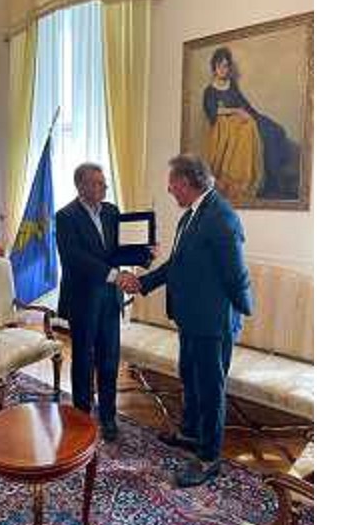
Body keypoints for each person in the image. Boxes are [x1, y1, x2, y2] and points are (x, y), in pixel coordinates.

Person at [122, 154, 253, 487]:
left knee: (210, 389)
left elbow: (236, 273)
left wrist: (242, 309)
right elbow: (176, 265)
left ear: (185, 181)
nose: (169, 189)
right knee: (190, 378)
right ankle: (191, 434)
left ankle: (209, 458)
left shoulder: (221, 216)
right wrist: (143, 283)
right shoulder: (190, 216)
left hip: (213, 323)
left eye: (171, 183)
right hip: (190, 319)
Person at [55, 163, 135, 442]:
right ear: (82, 186)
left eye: (104, 183)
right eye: (98, 183)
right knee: (83, 359)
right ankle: (81, 416)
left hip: (110, 298)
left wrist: (145, 254)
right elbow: (74, 258)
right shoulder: (65, 216)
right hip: (83, 298)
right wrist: (114, 275)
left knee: (109, 358)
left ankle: (108, 416)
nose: (104, 187)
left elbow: (121, 250)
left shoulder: (112, 211)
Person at [203, 47, 299, 200]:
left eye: (226, 66)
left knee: (274, 129)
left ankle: (276, 175)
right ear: (214, 67)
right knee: (253, 131)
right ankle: (271, 181)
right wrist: (236, 111)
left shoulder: (231, 85)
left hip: (244, 117)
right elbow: (213, 112)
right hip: (228, 128)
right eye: (220, 66)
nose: (223, 70)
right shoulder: (210, 91)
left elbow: (244, 104)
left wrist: (254, 116)